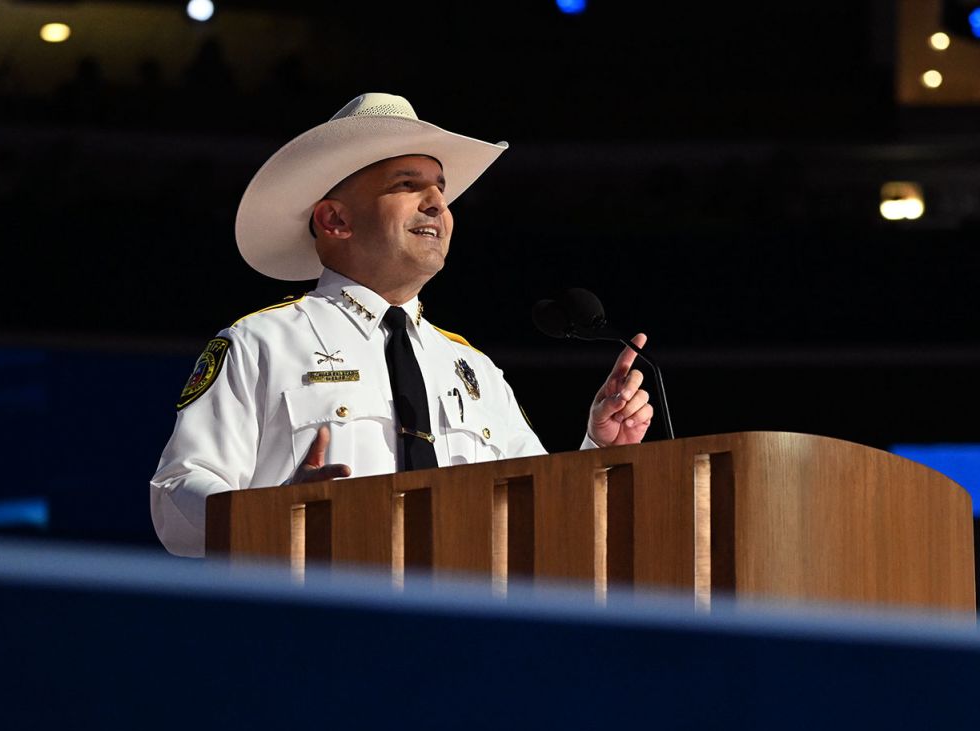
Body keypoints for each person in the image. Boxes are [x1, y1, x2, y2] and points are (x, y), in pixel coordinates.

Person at [150, 93, 653, 557]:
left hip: (461, 634)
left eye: (440, 188)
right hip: (320, 634)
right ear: (334, 221)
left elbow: (539, 514)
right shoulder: (261, 342)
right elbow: (175, 502)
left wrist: (598, 452)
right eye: (408, 185)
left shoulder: (471, 366)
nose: (437, 203)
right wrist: (270, 515)